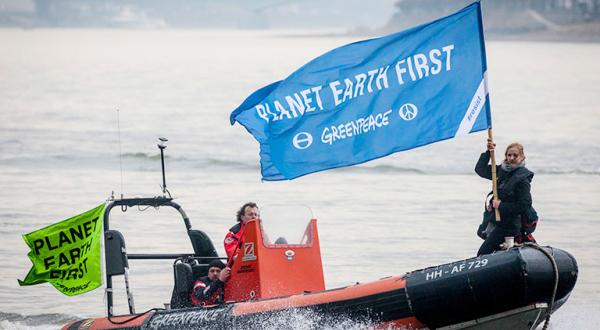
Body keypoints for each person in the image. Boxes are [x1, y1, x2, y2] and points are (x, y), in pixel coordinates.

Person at [475, 139, 534, 256]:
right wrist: (488, 151)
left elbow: (524, 205)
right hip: (496, 222)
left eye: (515, 155)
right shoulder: (499, 171)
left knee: (482, 254)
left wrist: (501, 205)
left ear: (522, 158)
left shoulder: (522, 179)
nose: (511, 158)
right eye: (509, 155)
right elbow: (480, 170)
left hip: (510, 226)